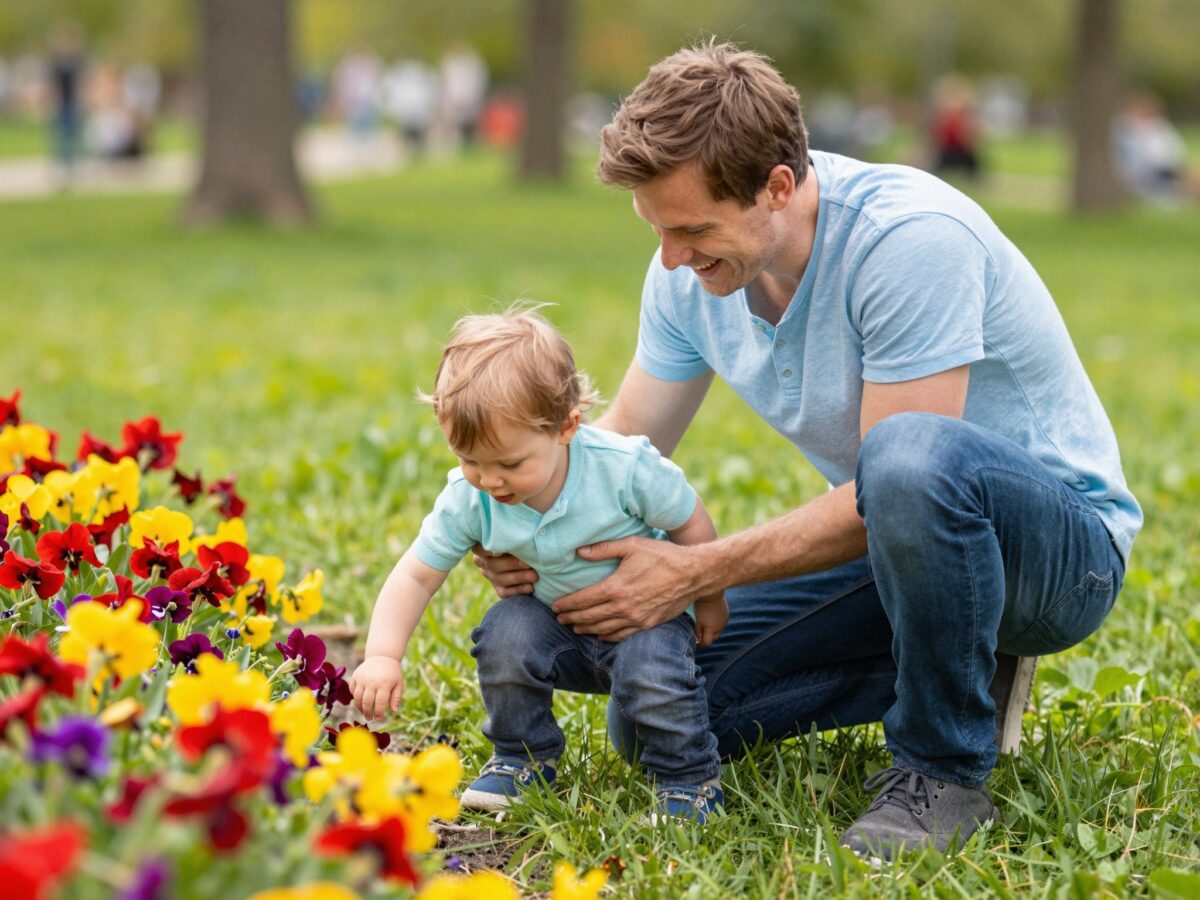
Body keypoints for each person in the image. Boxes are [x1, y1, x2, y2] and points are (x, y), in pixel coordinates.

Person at [472, 43, 1141, 860]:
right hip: (902, 544)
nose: (673, 257)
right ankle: (963, 670)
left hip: (1057, 556)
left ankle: (943, 769)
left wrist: (697, 569)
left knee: (906, 455)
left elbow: (901, 478)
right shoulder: (686, 274)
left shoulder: (909, 240)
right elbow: (614, 457)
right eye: (657, 230)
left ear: (777, 188)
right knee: (664, 719)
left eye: (690, 229)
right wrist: (524, 516)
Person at [349, 307, 729, 823]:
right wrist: (382, 656)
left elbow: (690, 522)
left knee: (655, 675)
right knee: (505, 632)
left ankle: (687, 780)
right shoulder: (469, 496)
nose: (490, 481)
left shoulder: (623, 468)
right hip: (556, 626)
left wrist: (709, 596)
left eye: (509, 464)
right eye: (470, 460)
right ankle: (521, 758)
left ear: (566, 427)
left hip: (645, 622)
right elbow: (416, 574)